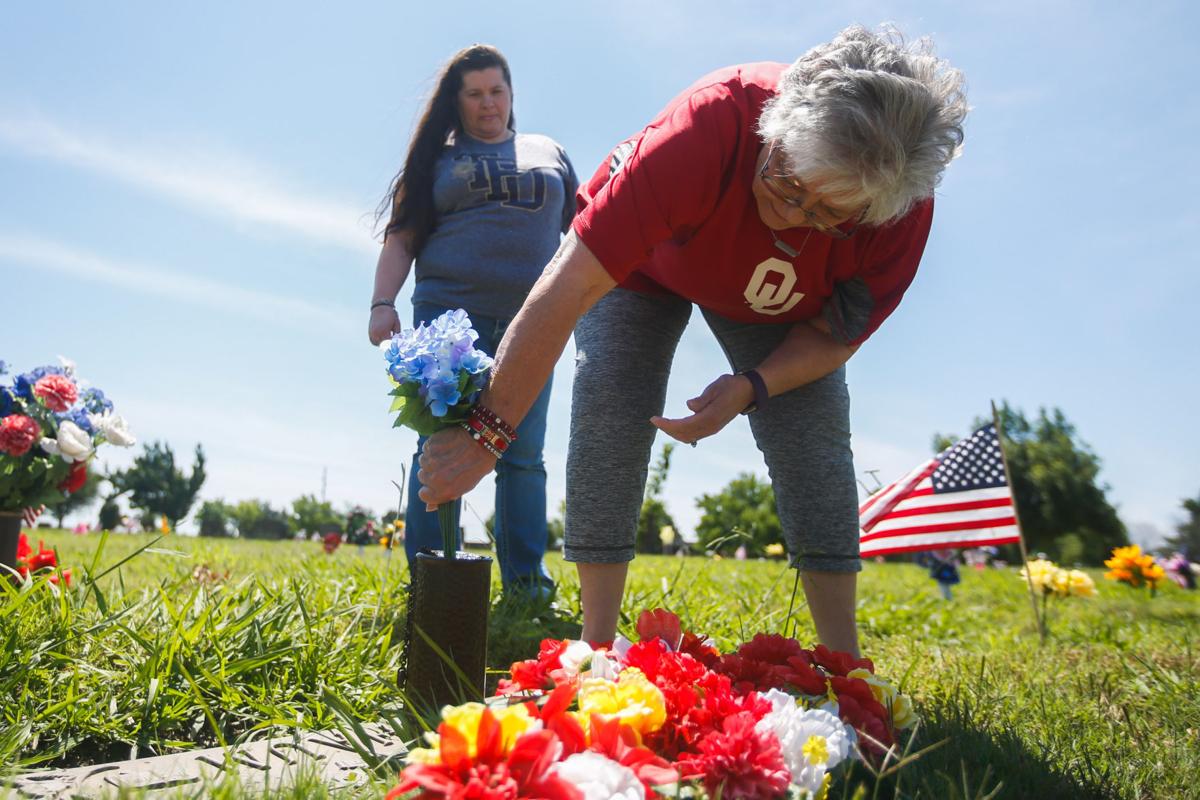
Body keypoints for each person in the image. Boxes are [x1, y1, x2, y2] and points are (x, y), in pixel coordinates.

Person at [416, 26, 968, 653]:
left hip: (773, 303)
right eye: (789, 185)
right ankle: (595, 649)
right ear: (774, 126)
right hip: (649, 265)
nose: (794, 216)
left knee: (812, 434)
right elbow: (566, 288)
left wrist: (755, 385)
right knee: (611, 398)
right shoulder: (707, 127)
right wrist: (490, 429)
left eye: (826, 215)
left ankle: (842, 662)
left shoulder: (897, 207)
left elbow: (836, 334)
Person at [368, 44, 577, 598]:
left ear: (512, 94)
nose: (489, 104)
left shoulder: (548, 151)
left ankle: (527, 587)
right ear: (457, 103)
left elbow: (585, 236)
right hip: (445, 323)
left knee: (522, 454)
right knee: (438, 447)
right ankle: (431, 584)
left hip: (533, 323)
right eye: (475, 94)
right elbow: (402, 238)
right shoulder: (435, 160)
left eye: (497, 91)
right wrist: (382, 303)